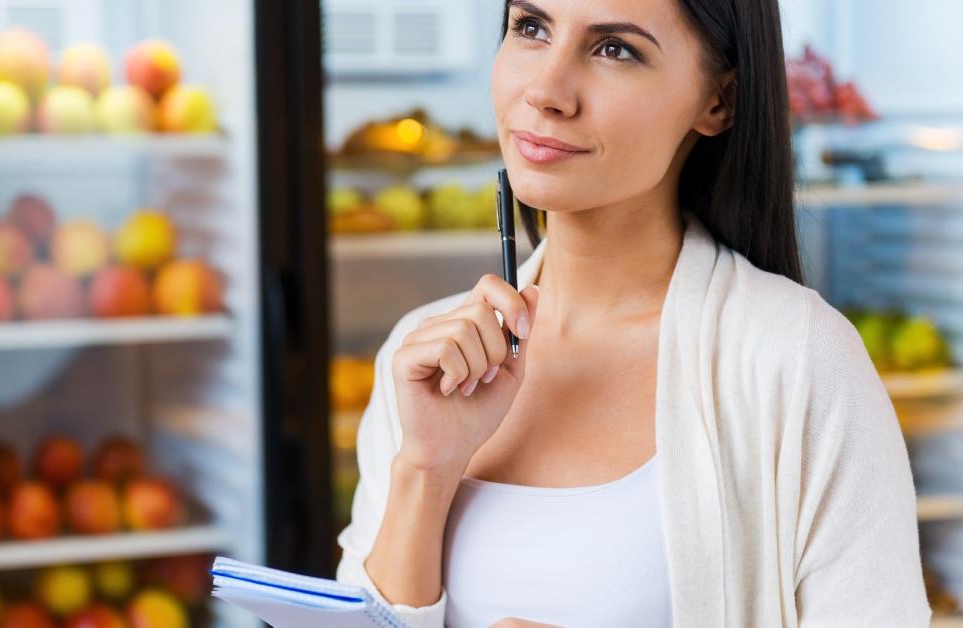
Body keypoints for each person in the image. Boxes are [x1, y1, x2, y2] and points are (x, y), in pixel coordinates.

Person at [335, 0, 933, 626]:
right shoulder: (424, 355)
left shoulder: (799, 360)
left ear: (718, 102)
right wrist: (426, 469)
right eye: (531, 27)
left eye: (615, 48)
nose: (545, 91)